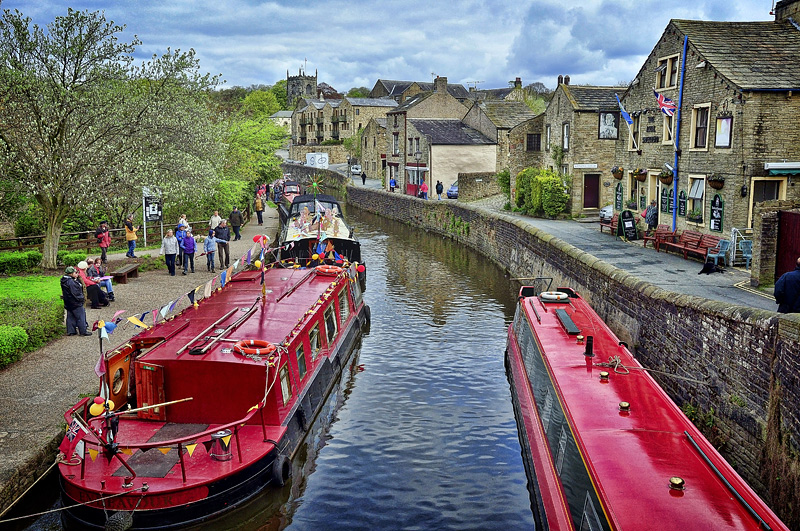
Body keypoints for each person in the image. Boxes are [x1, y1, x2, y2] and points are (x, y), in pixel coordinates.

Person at [61, 267, 91, 336]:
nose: (76, 274)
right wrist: (81, 299)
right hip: (75, 302)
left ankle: (71, 331)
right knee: (81, 316)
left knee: (70, 316)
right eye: (75, 273)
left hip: (68, 302)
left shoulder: (64, 280)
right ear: (71, 274)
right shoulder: (71, 282)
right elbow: (75, 293)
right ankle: (83, 331)